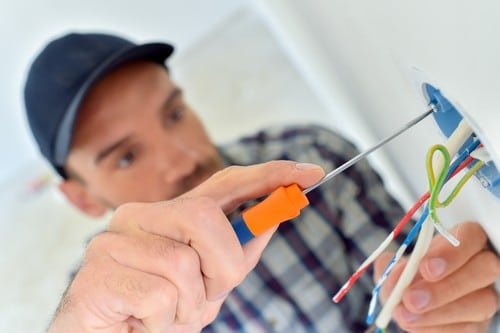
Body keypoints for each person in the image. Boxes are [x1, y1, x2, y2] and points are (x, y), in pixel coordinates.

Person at [23, 32, 499, 332]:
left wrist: (443, 308)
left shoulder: (312, 155)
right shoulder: (112, 310)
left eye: (173, 113)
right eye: (126, 157)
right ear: (81, 198)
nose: (183, 158)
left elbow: (412, 294)